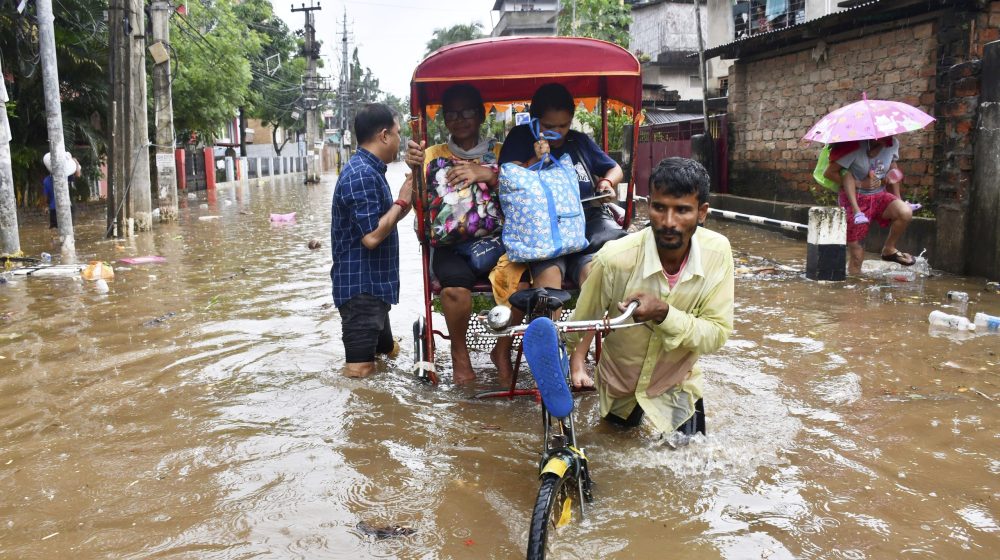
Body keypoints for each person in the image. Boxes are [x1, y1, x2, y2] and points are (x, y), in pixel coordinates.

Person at [565, 157, 734, 436]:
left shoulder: (718, 254)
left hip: (676, 382)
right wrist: (555, 352)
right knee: (614, 456)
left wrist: (663, 313)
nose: (669, 222)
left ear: (702, 212)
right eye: (659, 208)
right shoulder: (614, 259)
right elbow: (582, 320)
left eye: (682, 210)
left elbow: (716, 334)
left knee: (688, 465)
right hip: (621, 383)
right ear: (648, 206)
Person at [498, 82, 625, 388]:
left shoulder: (580, 142)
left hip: (586, 230)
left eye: (564, 125)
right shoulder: (519, 139)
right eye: (550, 126)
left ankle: (577, 358)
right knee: (548, 288)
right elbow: (507, 181)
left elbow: (615, 168)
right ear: (534, 120)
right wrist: (535, 161)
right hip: (544, 235)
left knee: (596, 277)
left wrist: (606, 183)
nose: (558, 133)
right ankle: (552, 360)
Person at [405, 84, 514, 384]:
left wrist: (488, 175)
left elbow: (524, 196)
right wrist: (414, 172)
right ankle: (459, 352)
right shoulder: (430, 156)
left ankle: (502, 351)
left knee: (525, 281)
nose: (460, 119)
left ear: (480, 115)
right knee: (454, 290)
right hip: (451, 246)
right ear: (444, 119)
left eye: (467, 111)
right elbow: (419, 203)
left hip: (498, 241)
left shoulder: (502, 153)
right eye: (452, 113)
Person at [331, 103, 413, 378]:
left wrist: (405, 202)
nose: (400, 140)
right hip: (361, 289)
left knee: (385, 355)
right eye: (398, 133)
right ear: (384, 135)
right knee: (360, 370)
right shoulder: (361, 175)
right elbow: (372, 236)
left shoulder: (370, 170)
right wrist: (401, 200)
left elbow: (385, 220)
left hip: (374, 287)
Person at [824, 136, 915, 275]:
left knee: (905, 212)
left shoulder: (892, 143)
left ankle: (889, 249)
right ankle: (854, 290)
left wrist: (897, 195)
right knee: (857, 255)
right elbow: (829, 173)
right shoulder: (853, 146)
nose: (888, 138)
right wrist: (860, 184)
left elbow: (892, 168)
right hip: (854, 199)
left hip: (879, 196)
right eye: (883, 137)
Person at [42, 154, 80, 229]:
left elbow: (45, 197)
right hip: (66, 207)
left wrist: (46, 206)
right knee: (69, 229)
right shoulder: (66, 176)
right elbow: (78, 174)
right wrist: (75, 162)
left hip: (53, 209)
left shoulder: (46, 180)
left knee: (54, 231)